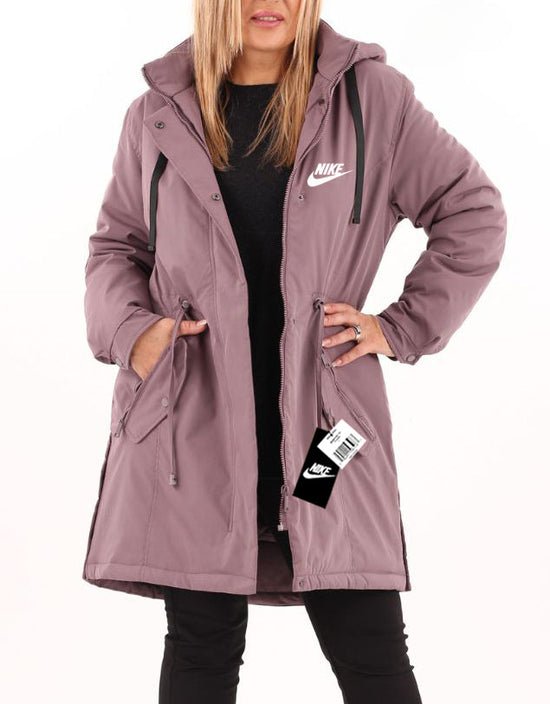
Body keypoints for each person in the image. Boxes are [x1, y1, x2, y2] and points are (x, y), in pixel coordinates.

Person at [82, 1, 507, 703]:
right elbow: (115, 249)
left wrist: (400, 326)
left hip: (323, 434)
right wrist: (134, 332)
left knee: (367, 641)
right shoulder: (158, 112)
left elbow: (472, 212)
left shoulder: (372, 100)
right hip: (194, 431)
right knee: (201, 642)